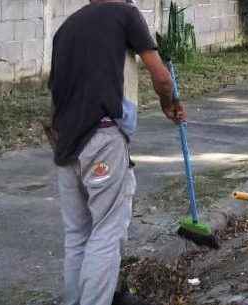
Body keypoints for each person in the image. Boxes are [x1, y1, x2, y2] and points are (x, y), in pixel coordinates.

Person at [48, 0, 184, 305]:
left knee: (77, 235)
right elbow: (161, 76)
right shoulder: (125, 13)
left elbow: (54, 93)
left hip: (65, 142)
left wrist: (61, 141)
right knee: (107, 232)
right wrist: (169, 102)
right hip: (103, 138)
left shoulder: (66, 28)